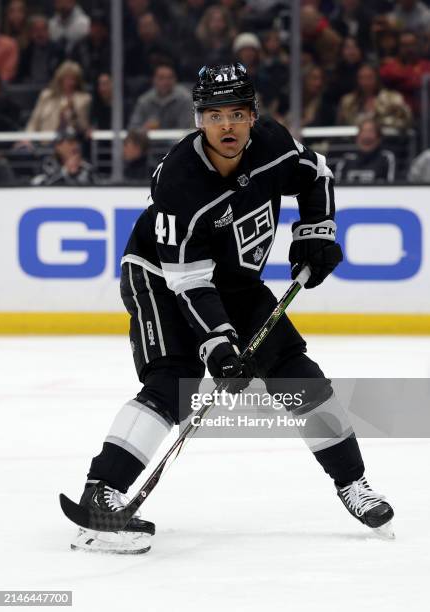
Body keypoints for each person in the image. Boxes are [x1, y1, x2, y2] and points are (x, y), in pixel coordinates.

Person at [69, 63, 394, 554]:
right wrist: (219, 344)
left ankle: (353, 482)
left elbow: (316, 175)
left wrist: (316, 232)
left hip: (237, 281)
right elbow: (189, 282)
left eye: (238, 114)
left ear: (252, 116)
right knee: (173, 382)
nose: (227, 126)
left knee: (297, 374)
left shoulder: (271, 145)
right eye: (215, 115)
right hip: (160, 277)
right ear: (198, 119)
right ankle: (102, 491)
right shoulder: (179, 183)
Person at [337, 63, 411, 128]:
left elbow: (406, 120)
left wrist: (382, 124)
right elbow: (341, 126)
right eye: (361, 78)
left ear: (377, 79)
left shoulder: (392, 98)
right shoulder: (348, 101)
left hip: (388, 140)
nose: (365, 82)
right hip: (353, 141)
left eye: (369, 77)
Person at [26, 60, 91, 134]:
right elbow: (34, 120)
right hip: (46, 140)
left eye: (73, 79)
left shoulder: (84, 99)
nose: (70, 82)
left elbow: (84, 127)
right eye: (67, 78)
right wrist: (27, 137)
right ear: (60, 79)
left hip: (71, 142)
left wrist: (73, 109)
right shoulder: (46, 96)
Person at [128, 63, 193, 130]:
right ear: (153, 80)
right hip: (151, 139)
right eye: (161, 78)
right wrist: (144, 128)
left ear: (175, 79)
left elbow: (187, 129)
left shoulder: (186, 99)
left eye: (169, 78)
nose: (165, 82)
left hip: (178, 139)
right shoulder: (144, 100)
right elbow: (133, 129)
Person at [379, 30, 430, 114]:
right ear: (399, 47)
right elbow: (386, 75)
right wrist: (414, 80)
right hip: (397, 115)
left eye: (412, 45)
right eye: (404, 45)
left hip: (425, 114)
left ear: (418, 45)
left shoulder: (427, 66)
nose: (409, 49)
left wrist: (401, 80)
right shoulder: (389, 67)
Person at [335, 118, 396, 183]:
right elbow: (335, 187)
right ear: (357, 138)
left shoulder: (386, 158)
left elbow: (393, 188)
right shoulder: (346, 160)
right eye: (363, 131)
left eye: (370, 131)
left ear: (379, 138)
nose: (366, 136)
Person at [16, 15, 64, 84]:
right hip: (29, 89)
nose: (40, 33)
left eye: (43, 29)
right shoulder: (26, 52)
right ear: (31, 33)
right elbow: (20, 76)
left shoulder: (58, 50)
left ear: (48, 31)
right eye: (36, 30)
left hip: (52, 89)